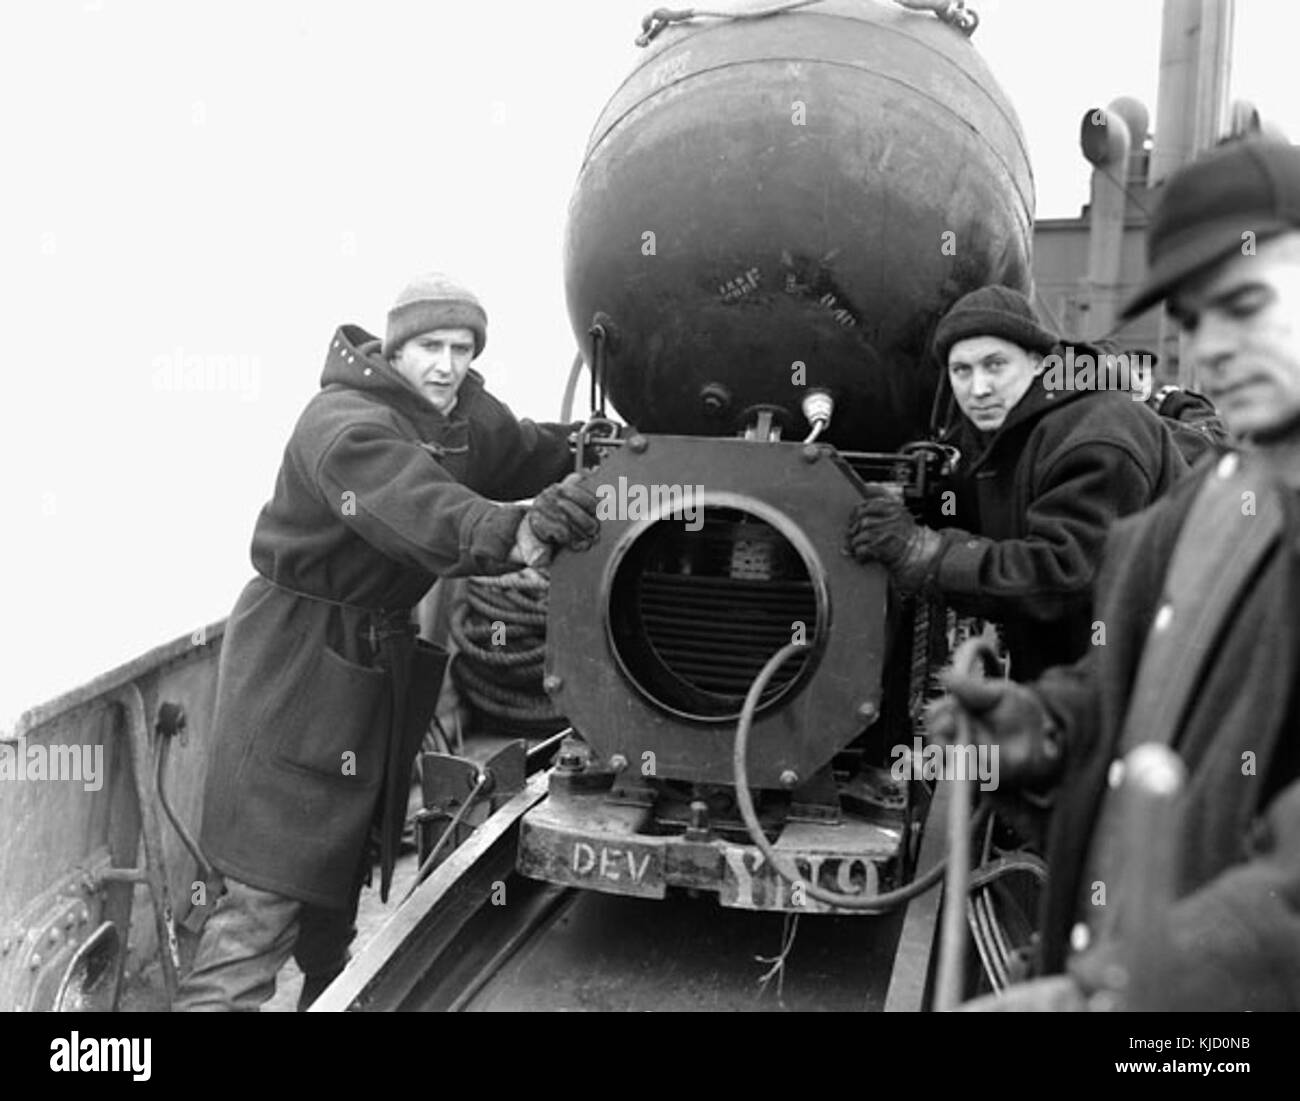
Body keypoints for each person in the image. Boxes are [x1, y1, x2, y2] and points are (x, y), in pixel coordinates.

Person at [930, 138, 1300, 1011]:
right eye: (1194, 319)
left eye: (1244, 303)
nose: (1212, 352)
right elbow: (1139, 677)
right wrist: (1049, 724)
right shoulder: (1215, 495)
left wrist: (1108, 995)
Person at [174, 273, 599, 1011]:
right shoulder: (342, 426)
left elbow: (531, 447)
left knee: (334, 894)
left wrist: (609, 449)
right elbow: (422, 507)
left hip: (373, 667)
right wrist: (520, 529)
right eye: (430, 345)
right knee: (262, 898)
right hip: (297, 662)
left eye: (462, 347)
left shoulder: (458, 414)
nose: (447, 363)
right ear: (393, 349)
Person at [847, 286, 1187, 682]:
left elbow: (1061, 575)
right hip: (1075, 680)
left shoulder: (1096, 434)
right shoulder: (1001, 431)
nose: (979, 388)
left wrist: (923, 553)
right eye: (963, 370)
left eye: (995, 365)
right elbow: (968, 508)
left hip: (1152, 681)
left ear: (1039, 362)